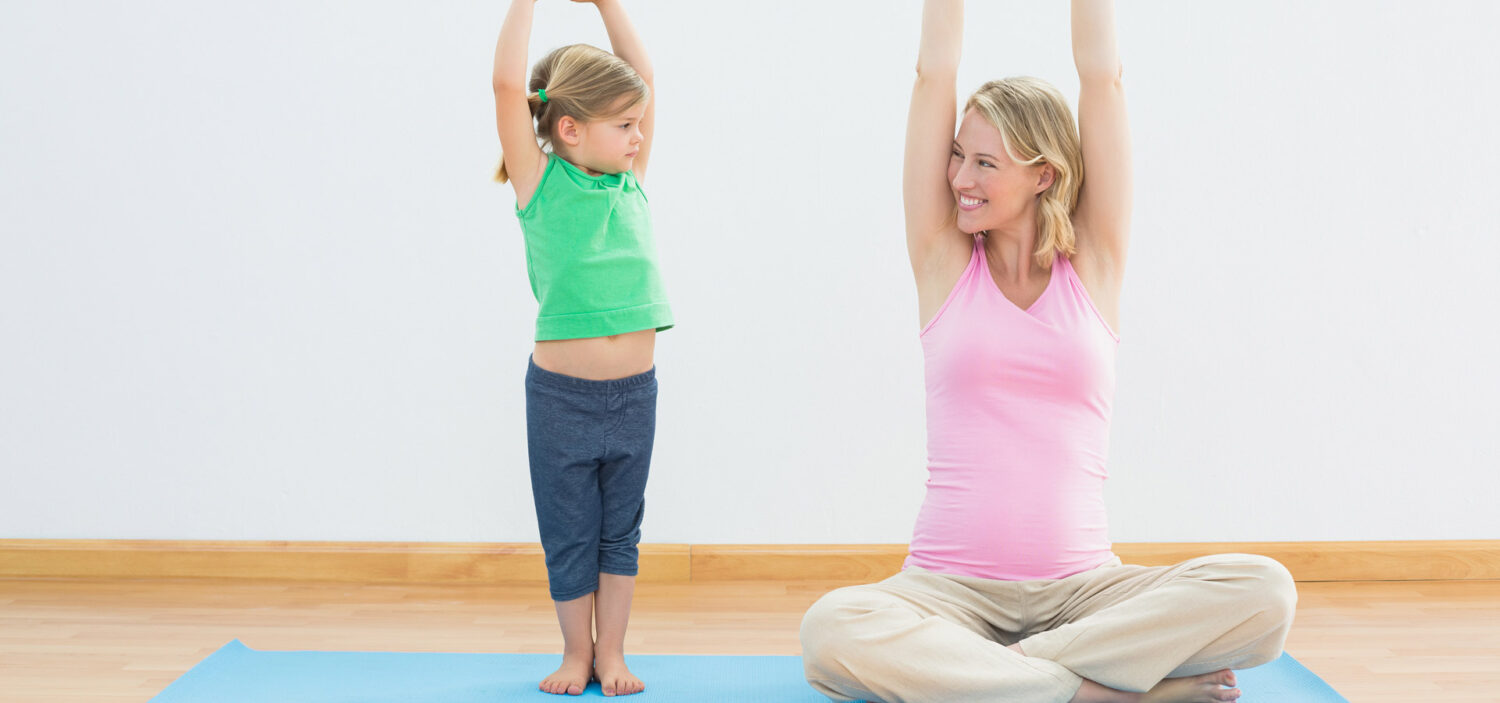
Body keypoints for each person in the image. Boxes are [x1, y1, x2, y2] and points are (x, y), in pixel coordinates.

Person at [799, 2, 1296, 701]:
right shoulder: (944, 260)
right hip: (948, 594)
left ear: (1043, 174)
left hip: (1087, 591)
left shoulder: (1094, 263)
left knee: (1266, 593)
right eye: (956, 156)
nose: (959, 178)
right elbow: (931, 72)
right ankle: (1098, 691)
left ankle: (1009, 676)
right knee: (831, 632)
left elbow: (1105, 80)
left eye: (984, 163)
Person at [492, 0, 667, 696]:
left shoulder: (630, 181)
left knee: (619, 532)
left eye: (637, 123)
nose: (637, 135)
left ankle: (613, 652)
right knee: (570, 531)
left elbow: (645, 78)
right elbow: (508, 88)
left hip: (634, 396)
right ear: (569, 128)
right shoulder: (540, 185)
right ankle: (575, 652)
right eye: (623, 125)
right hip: (562, 399)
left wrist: (606, 5)